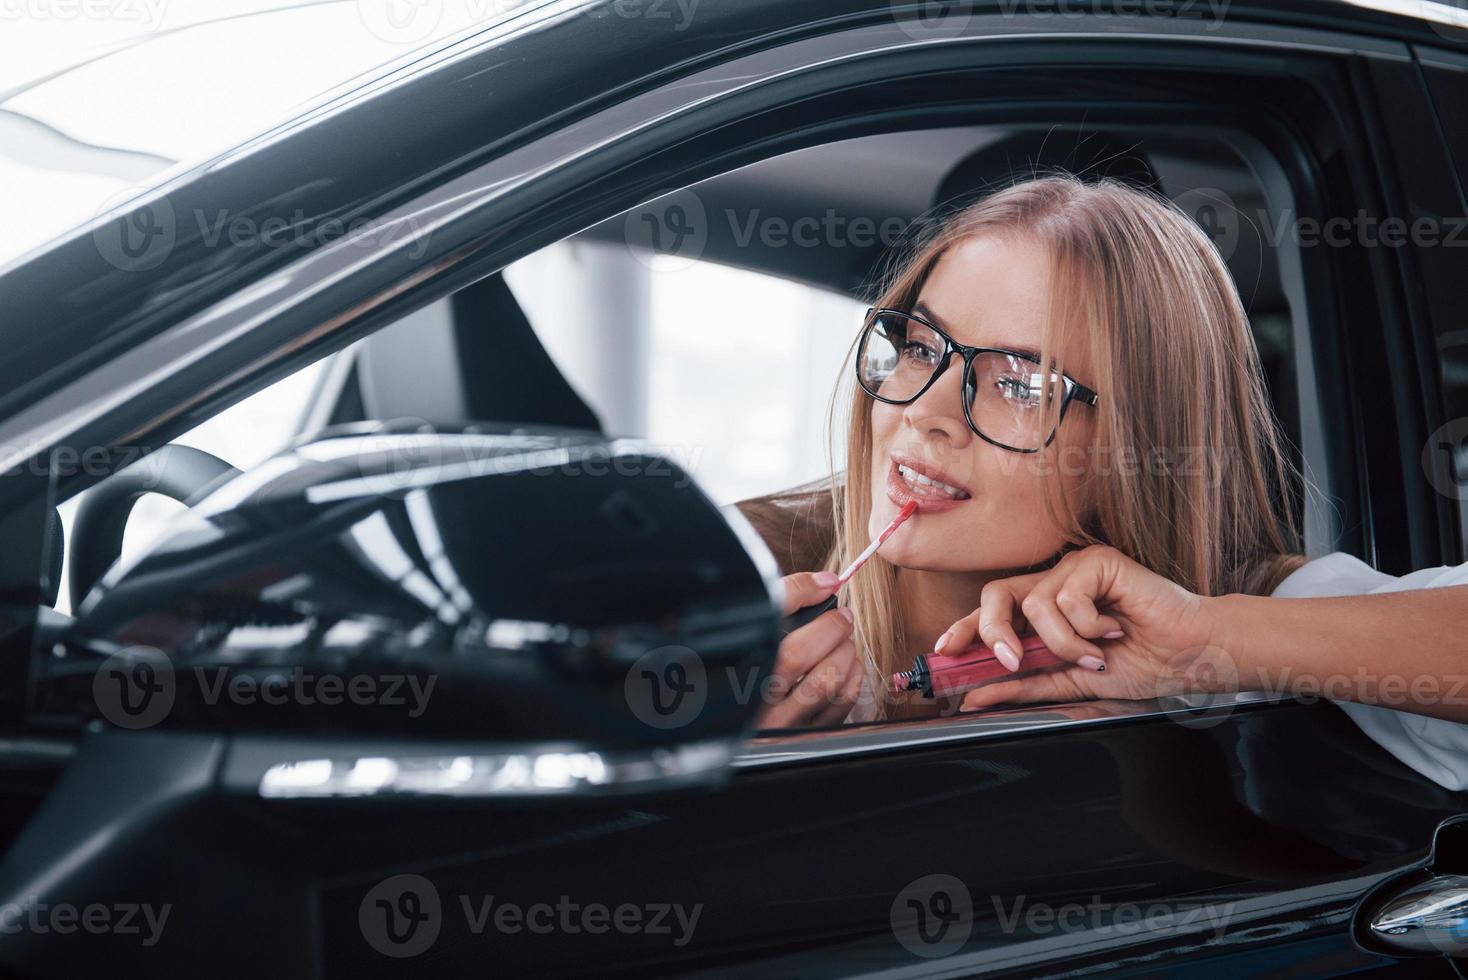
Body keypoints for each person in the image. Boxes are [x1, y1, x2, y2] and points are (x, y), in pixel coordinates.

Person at [737, 174, 1468, 789]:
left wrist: (1207, 642)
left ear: (1142, 445)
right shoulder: (740, 585)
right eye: (923, 347)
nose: (925, 412)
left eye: (1021, 386)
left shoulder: (1248, 615)